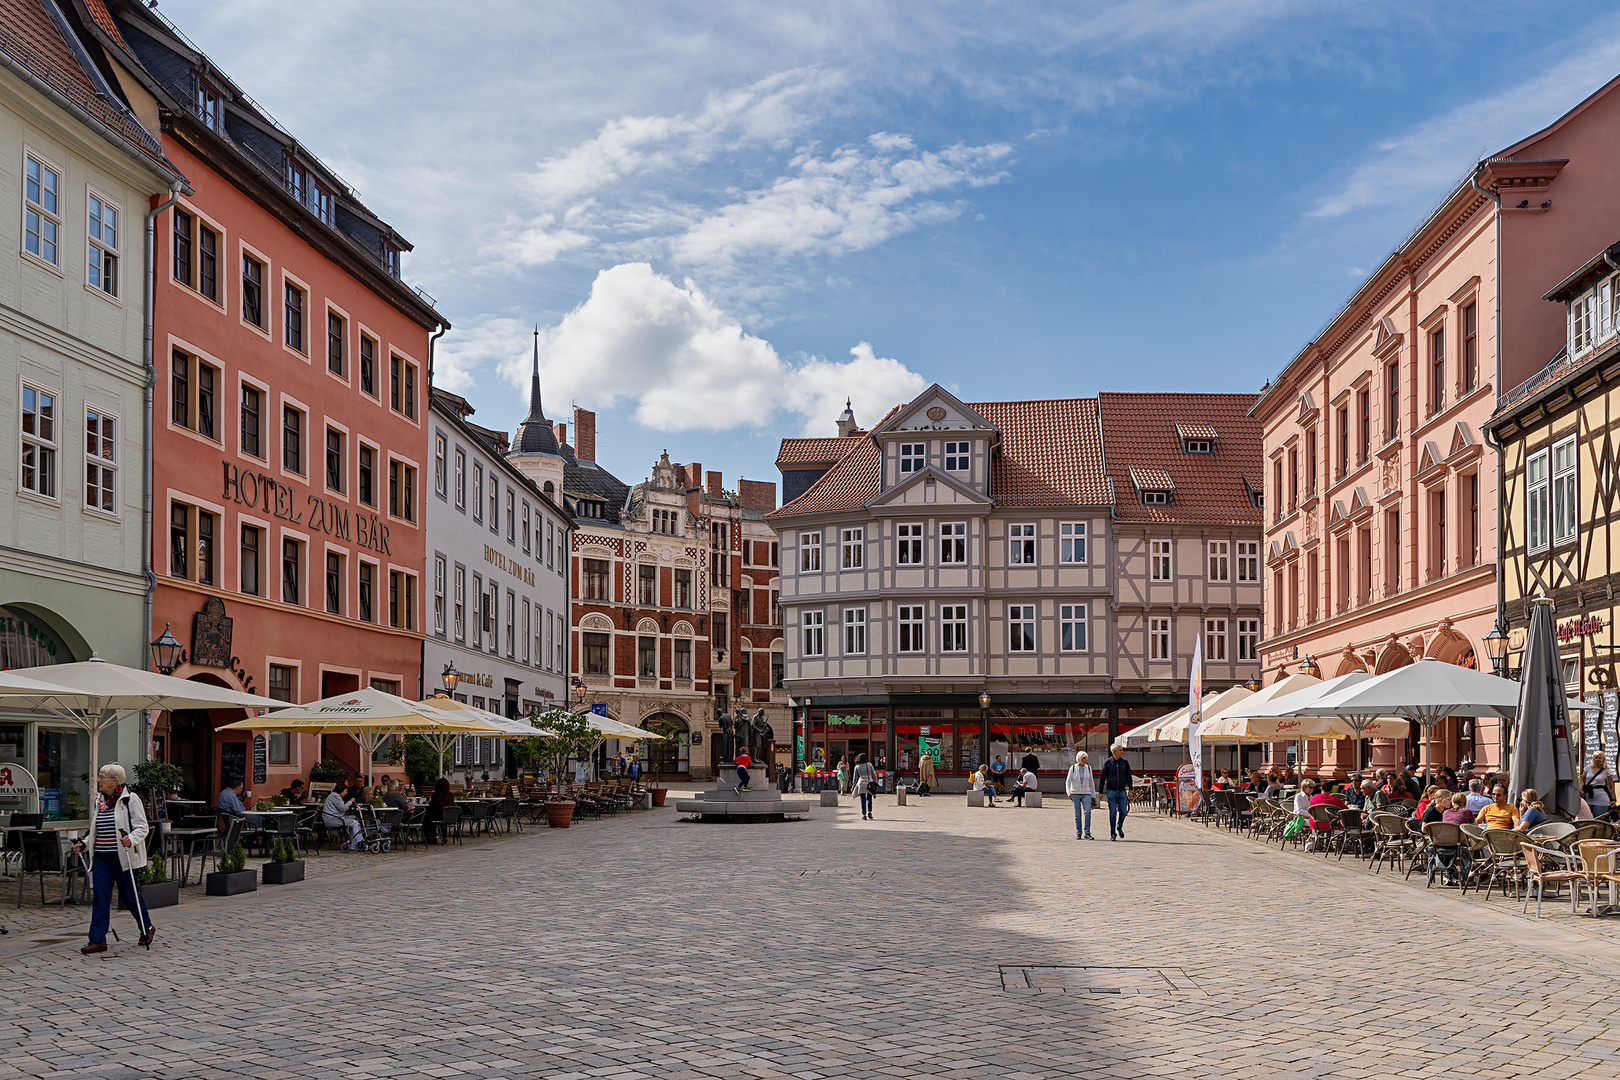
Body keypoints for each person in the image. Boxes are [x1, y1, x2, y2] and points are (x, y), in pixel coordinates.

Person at [71, 764, 155, 953]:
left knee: (129, 895)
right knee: (100, 896)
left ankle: (146, 927)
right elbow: (96, 830)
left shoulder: (129, 799)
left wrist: (130, 839)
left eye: (102, 777)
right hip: (101, 856)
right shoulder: (99, 800)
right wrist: (84, 843)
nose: (98, 780)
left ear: (114, 781)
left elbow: (142, 827)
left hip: (123, 857)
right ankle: (97, 939)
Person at [1101, 743, 1132, 840]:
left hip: (1122, 791)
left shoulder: (1124, 762)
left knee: (1123, 812)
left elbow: (1129, 776)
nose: (1122, 752)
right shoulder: (1107, 763)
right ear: (1114, 751)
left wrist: (1130, 790)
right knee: (1113, 813)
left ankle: (1119, 826)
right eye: (1120, 750)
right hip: (1111, 791)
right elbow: (1103, 777)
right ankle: (1112, 833)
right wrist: (1101, 791)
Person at [322, 782, 363, 850]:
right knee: (355, 823)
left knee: (353, 821)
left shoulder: (333, 795)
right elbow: (342, 808)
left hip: (331, 818)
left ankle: (354, 844)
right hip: (333, 820)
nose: (346, 793)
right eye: (345, 791)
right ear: (341, 790)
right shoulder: (336, 796)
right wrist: (350, 801)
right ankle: (359, 842)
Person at [1066, 751, 1096, 840]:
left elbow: (1091, 782)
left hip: (1086, 792)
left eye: (1086, 758)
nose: (1085, 760)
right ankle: (1078, 832)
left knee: (1087, 812)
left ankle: (1087, 832)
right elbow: (1068, 781)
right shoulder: (1073, 768)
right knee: (1077, 814)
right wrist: (1068, 792)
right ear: (1079, 758)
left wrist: (1093, 795)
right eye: (1083, 758)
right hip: (1075, 792)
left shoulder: (1089, 768)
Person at [421, 778, 455, 845]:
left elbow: (432, 806)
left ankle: (432, 836)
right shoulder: (451, 795)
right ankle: (444, 836)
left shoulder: (435, 795)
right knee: (441, 817)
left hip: (437, 816)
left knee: (427, 818)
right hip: (449, 817)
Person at [1584, 752, 1616, 820]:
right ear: (1593, 759)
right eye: (1596, 758)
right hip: (1587, 798)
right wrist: (1580, 791)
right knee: (1586, 821)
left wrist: (1613, 799)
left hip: (1601, 800)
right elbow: (1582, 781)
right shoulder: (1588, 768)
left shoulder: (1607, 771)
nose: (1598, 759)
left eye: (1600, 758)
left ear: (1603, 759)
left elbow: (1611, 787)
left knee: (1598, 821)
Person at [852, 753, 877, 820]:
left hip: (861, 783)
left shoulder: (857, 767)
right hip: (869, 783)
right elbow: (874, 775)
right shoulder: (869, 764)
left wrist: (853, 787)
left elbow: (855, 779)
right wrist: (876, 783)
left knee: (862, 799)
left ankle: (864, 814)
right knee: (869, 798)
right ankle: (869, 812)